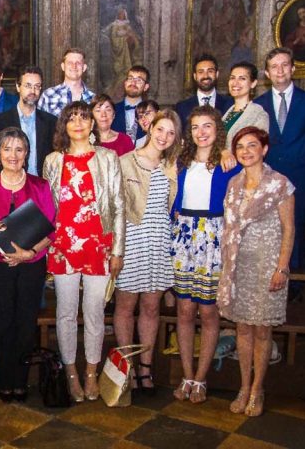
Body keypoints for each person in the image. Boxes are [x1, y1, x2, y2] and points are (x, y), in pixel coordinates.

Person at [43, 101, 125, 402]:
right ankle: (70, 373)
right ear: (63, 125)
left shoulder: (107, 157)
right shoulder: (53, 161)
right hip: (63, 245)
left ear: (93, 124)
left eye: (84, 117)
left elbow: (118, 206)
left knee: (94, 312)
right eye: (71, 118)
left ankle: (91, 371)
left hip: (98, 246)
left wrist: (117, 250)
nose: (78, 123)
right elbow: (47, 208)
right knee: (65, 313)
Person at [217, 126, 295, 417]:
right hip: (239, 265)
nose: (246, 151)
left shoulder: (280, 184)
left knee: (263, 330)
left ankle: (258, 389)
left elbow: (289, 229)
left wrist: (282, 267)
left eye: (252, 146)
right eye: (240, 147)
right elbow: (228, 227)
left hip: (267, 265)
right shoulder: (234, 183)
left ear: (264, 149)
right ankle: (243, 385)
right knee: (242, 329)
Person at [0, 127, 55, 403]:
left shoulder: (40, 186)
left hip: (31, 264)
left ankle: (20, 381)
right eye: (7, 149)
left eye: (19, 149)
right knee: (0, 325)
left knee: (25, 324)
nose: (13, 154)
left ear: (27, 154)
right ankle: (4, 381)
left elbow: (51, 230)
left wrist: (29, 252)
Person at [170, 105, 241, 404]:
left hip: (213, 237)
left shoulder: (229, 163)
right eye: (196, 127)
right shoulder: (181, 161)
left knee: (209, 312)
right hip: (184, 236)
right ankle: (186, 375)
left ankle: (201, 378)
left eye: (207, 126)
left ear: (217, 130)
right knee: (185, 311)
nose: (201, 132)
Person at [114, 110, 181, 396]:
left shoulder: (173, 165)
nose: (164, 136)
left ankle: (145, 367)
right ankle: (126, 367)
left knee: (152, 307)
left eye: (170, 132)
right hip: (131, 239)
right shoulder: (126, 161)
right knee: (126, 307)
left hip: (158, 238)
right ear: (150, 128)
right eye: (160, 129)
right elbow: (114, 206)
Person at [254, 47, 305, 302]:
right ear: (267, 73)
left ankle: (294, 288)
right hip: (267, 177)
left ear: (293, 68)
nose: (280, 70)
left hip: (298, 176)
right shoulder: (258, 105)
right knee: (267, 229)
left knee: (296, 228)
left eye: (285, 65)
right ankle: (267, 281)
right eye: (274, 66)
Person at [0, 65, 56, 177]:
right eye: (28, 86)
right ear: (18, 87)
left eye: (37, 86)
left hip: (42, 185)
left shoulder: (51, 122)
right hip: (11, 184)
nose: (33, 91)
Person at [220, 61, 269, 170]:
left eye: (242, 78)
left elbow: (257, 150)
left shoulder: (258, 114)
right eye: (232, 78)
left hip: (242, 172)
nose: (235, 83)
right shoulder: (227, 112)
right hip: (221, 169)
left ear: (253, 83)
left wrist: (229, 153)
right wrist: (224, 152)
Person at [175, 54, 234, 131]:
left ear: (217, 74)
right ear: (195, 76)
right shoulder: (181, 107)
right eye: (201, 72)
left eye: (210, 71)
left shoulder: (230, 104)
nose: (205, 76)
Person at [38, 48, 96, 117]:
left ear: (84, 67)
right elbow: (40, 125)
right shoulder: (48, 95)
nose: (74, 66)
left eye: (78, 63)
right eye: (70, 63)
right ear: (63, 66)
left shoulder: (93, 99)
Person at [112, 65, 151, 143]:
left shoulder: (152, 113)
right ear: (125, 83)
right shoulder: (112, 110)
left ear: (146, 87)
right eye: (130, 78)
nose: (133, 82)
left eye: (139, 80)